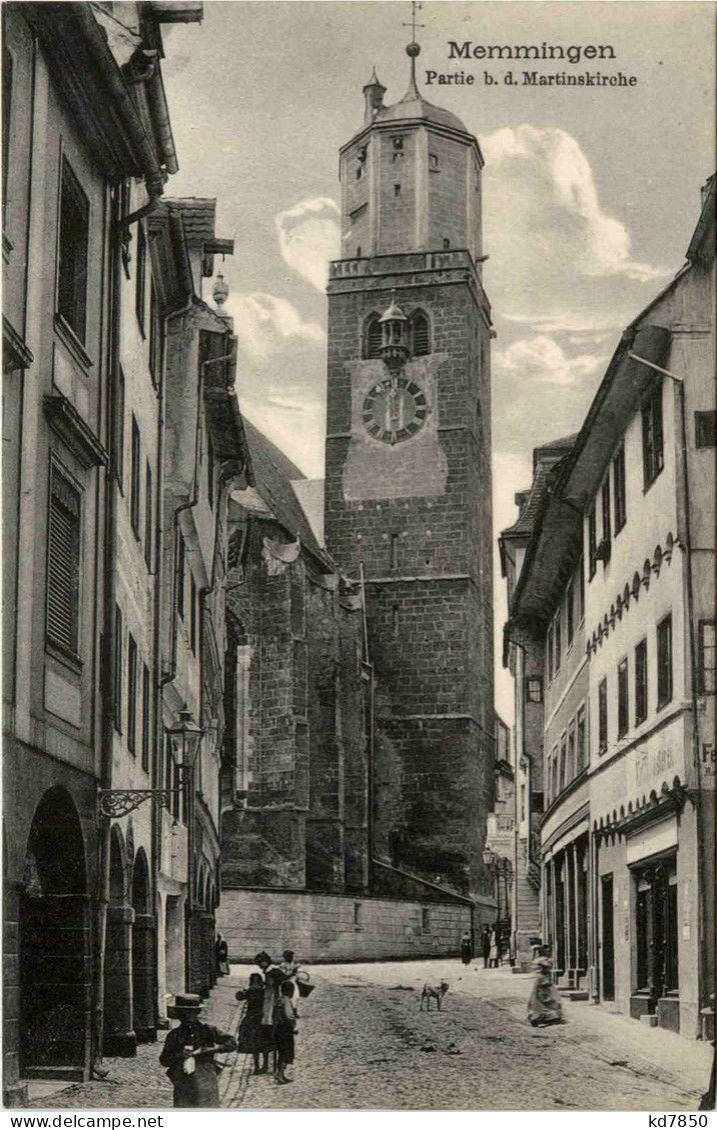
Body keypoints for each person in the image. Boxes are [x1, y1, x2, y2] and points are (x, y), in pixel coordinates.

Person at [159, 993, 237, 1107]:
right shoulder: (174, 1035)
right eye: (183, 1013)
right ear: (178, 1014)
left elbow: (232, 1043)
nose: (187, 1016)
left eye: (191, 1012)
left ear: (197, 1013)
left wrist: (212, 1049)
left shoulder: (208, 1031)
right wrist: (180, 1055)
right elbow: (164, 1060)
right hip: (183, 1082)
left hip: (206, 1079)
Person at [236, 973, 269, 1074]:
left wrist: (242, 991)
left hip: (251, 1019)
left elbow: (239, 997)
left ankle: (256, 1066)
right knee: (264, 1044)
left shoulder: (251, 990)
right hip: (262, 1018)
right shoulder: (263, 991)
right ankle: (265, 1065)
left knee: (254, 1043)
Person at [527, 955, 564, 1027]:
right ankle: (538, 1019)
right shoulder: (541, 976)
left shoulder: (543, 975)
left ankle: (547, 1018)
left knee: (547, 1003)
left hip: (544, 991)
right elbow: (543, 984)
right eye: (547, 968)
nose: (548, 970)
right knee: (540, 1005)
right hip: (541, 992)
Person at [273, 979, 297, 1084]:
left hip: (277, 1028)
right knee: (286, 1052)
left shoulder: (278, 1000)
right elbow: (289, 1016)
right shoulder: (287, 1001)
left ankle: (280, 1073)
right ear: (290, 991)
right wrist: (293, 1027)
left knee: (281, 1051)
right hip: (285, 1029)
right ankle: (280, 1074)